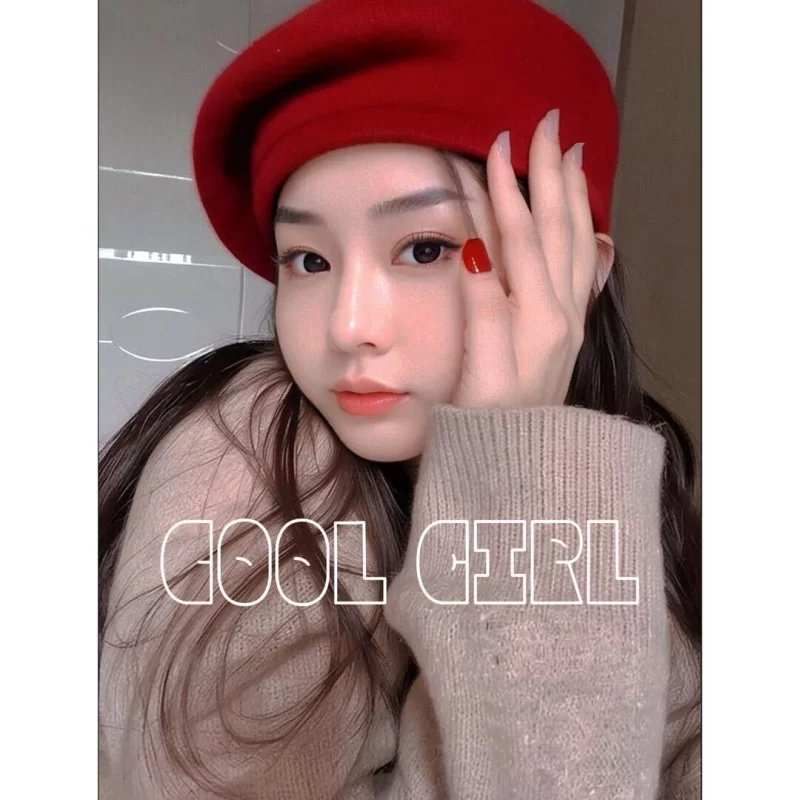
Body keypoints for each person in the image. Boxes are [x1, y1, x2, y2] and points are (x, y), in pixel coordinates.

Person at [98, 0, 701, 797]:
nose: (348, 326)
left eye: (424, 249)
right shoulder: (249, 457)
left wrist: (531, 465)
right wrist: (514, 479)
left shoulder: (653, 486)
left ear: (578, 270)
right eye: (308, 260)